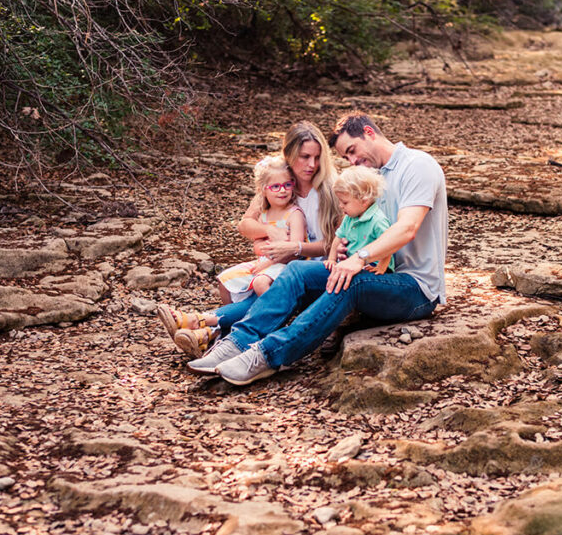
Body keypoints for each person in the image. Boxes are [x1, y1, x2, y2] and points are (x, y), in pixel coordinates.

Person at [188, 111, 447, 385]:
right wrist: (343, 249)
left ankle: (267, 355)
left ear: (369, 133)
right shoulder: (367, 175)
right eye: (346, 157)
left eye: (352, 150)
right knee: (299, 270)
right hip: (374, 275)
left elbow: (407, 227)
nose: (352, 160)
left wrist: (360, 257)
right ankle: (237, 343)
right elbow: (351, 225)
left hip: (414, 288)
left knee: (351, 282)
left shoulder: (418, 166)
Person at [157, 123, 341, 356]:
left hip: (313, 270)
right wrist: (268, 231)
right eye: (304, 157)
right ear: (290, 154)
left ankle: (202, 324)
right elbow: (245, 224)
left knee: (265, 286)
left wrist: (294, 247)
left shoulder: (330, 189)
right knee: (239, 281)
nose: (312, 165)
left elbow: (334, 243)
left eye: (317, 157)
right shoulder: (280, 180)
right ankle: (210, 335)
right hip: (279, 263)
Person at [216, 156, 306, 303]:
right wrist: (262, 250)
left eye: (287, 185)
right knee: (224, 279)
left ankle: (275, 314)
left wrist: (268, 263)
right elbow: (257, 246)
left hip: (284, 265)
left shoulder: (294, 214)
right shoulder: (264, 214)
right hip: (261, 263)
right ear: (263, 190)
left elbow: (296, 251)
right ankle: (228, 319)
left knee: (260, 283)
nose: (282, 190)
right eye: (275, 186)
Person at [325, 166, 392, 275]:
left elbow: (388, 245)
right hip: (353, 263)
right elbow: (338, 239)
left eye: (345, 202)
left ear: (364, 201)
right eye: (340, 201)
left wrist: (382, 267)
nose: (340, 206)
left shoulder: (378, 220)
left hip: (373, 264)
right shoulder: (349, 218)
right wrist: (332, 259)